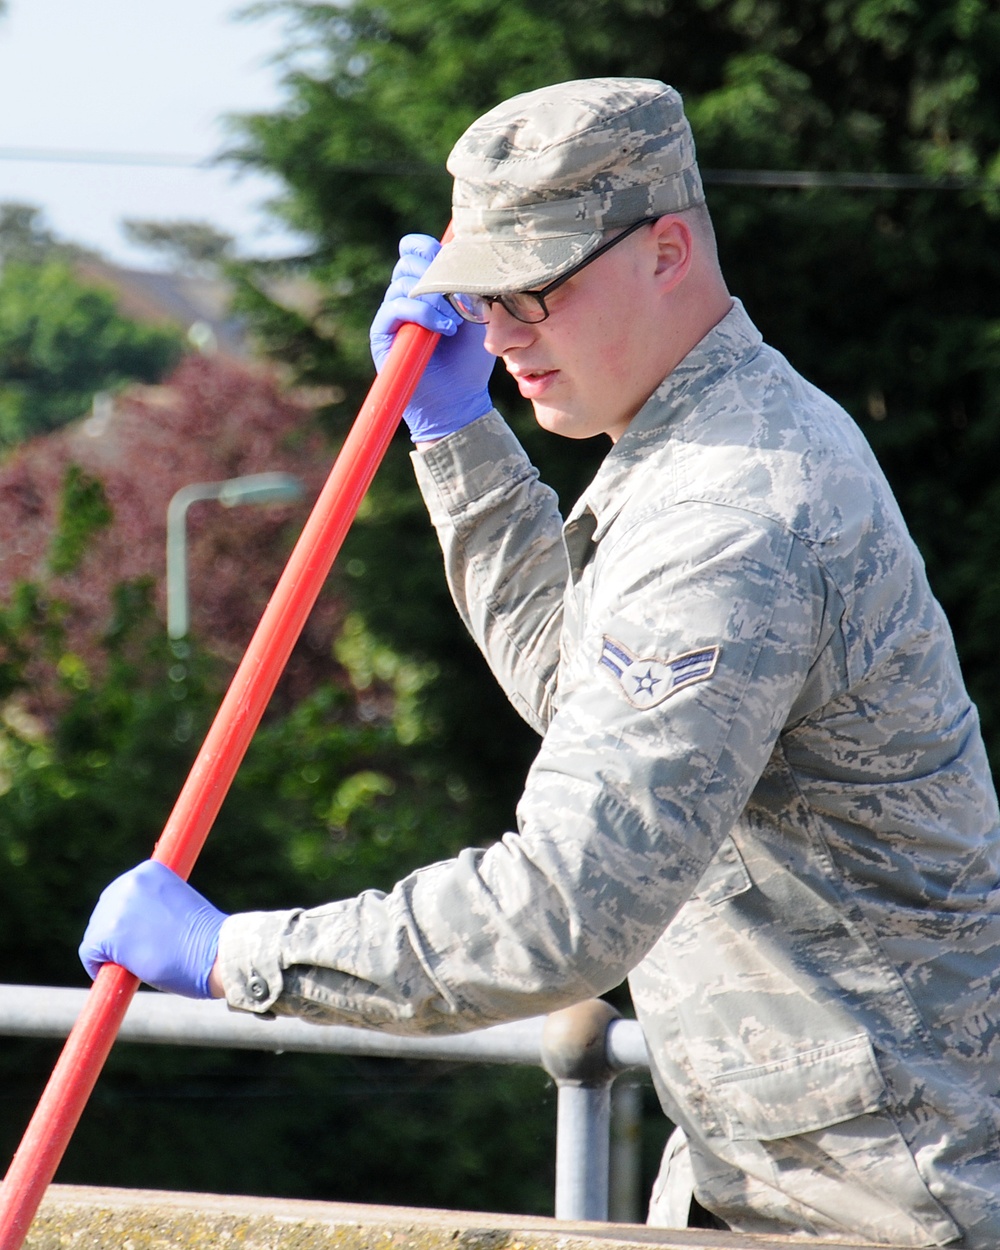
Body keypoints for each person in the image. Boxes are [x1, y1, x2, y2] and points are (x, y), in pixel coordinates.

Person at [80, 78, 1000, 1244]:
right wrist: (456, 434)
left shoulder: (731, 517)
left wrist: (235, 953)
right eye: (481, 295)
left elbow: (565, 908)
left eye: (534, 290)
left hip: (885, 1209)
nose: (502, 333)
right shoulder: (704, 454)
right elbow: (582, 699)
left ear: (668, 249)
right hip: (803, 1185)